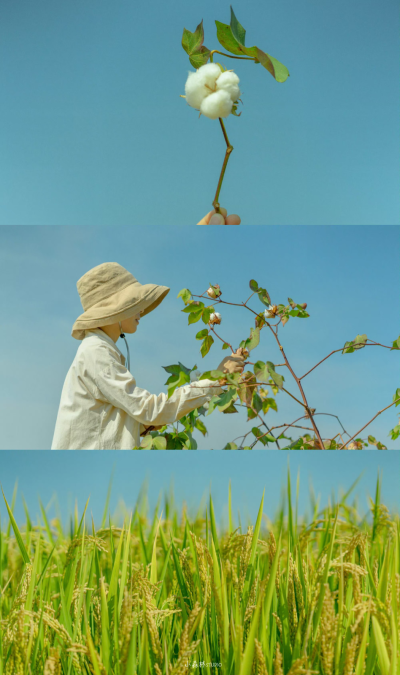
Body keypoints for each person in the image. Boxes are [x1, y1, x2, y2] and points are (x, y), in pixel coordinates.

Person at [51, 262, 245, 450]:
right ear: (115, 308)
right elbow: (149, 409)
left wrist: (145, 426)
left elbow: (106, 422)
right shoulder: (96, 352)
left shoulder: (97, 349)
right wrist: (214, 381)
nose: (141, 311)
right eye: (134, 303)